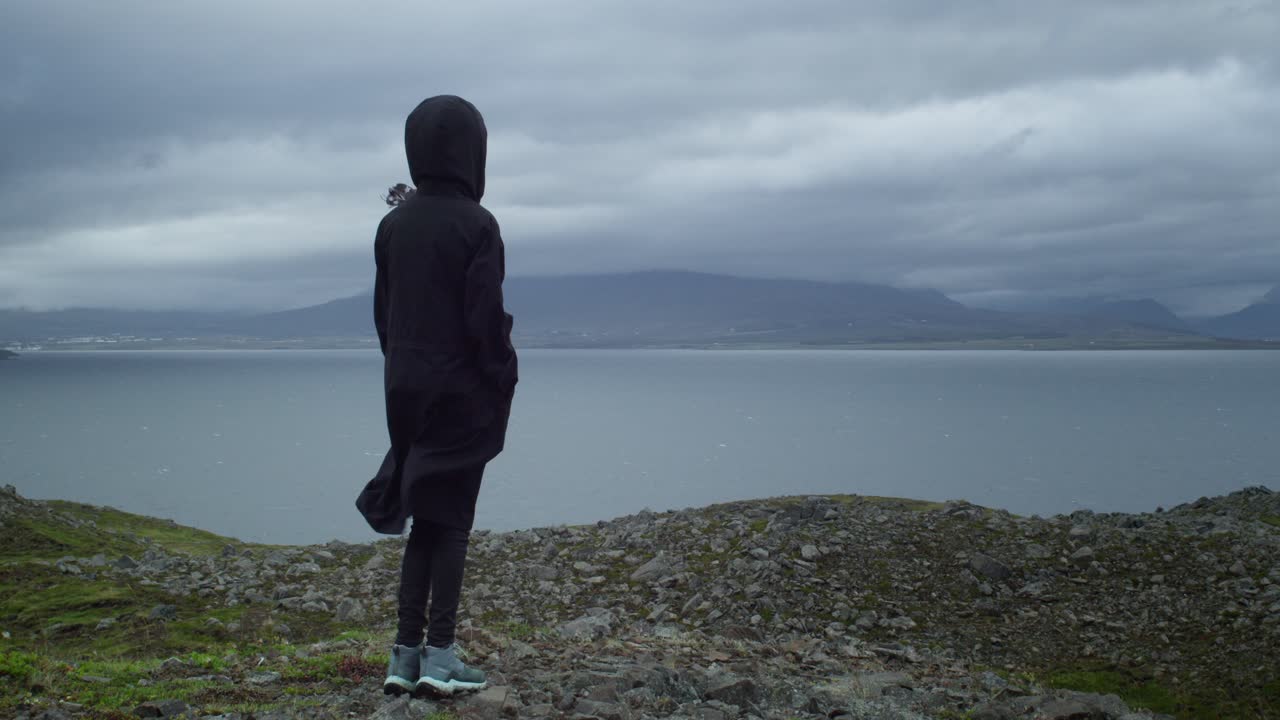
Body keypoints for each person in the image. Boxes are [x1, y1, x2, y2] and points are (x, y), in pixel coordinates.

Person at [355, 95, 518, 697]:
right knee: (451, 523)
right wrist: (503, 374)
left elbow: (385, 316)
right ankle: (442, 657)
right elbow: (484, 320)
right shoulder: (478, 225)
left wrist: (405, 369)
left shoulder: (393, 226)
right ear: (473, 150)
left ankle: (404, 657)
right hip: (461, 391)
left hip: (405, 388)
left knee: (425, 518)